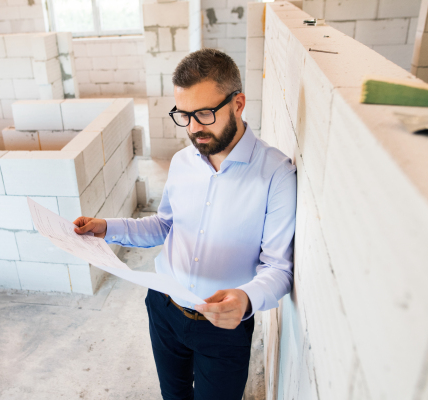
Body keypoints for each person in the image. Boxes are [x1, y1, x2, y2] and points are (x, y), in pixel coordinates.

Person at [73, 48, 297, 400]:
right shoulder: (182, 161)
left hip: (223, 328)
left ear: (237, 104)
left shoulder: (276, 174)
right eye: (184, 114)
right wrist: (108, 227)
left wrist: (246, 298)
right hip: (164, 308)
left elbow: (280, 268)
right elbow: (165, 225)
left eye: (205, 113)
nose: (193, 128)